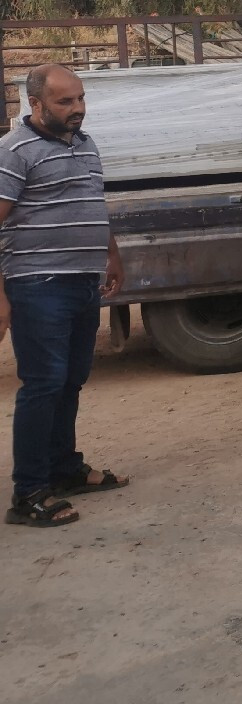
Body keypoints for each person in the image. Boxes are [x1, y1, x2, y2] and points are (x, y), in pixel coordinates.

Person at [1, 64, 128, 529]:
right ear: (35, 105)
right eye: (64, 102)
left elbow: (91, 201)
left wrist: (110, 254)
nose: (77, 109)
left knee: (71, 381)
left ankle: (63, 469)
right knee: (43, 385)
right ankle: (29, 492)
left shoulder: (85, 142)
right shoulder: (15, 151)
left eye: (79, 99)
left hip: (81, 281)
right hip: (38, 286)